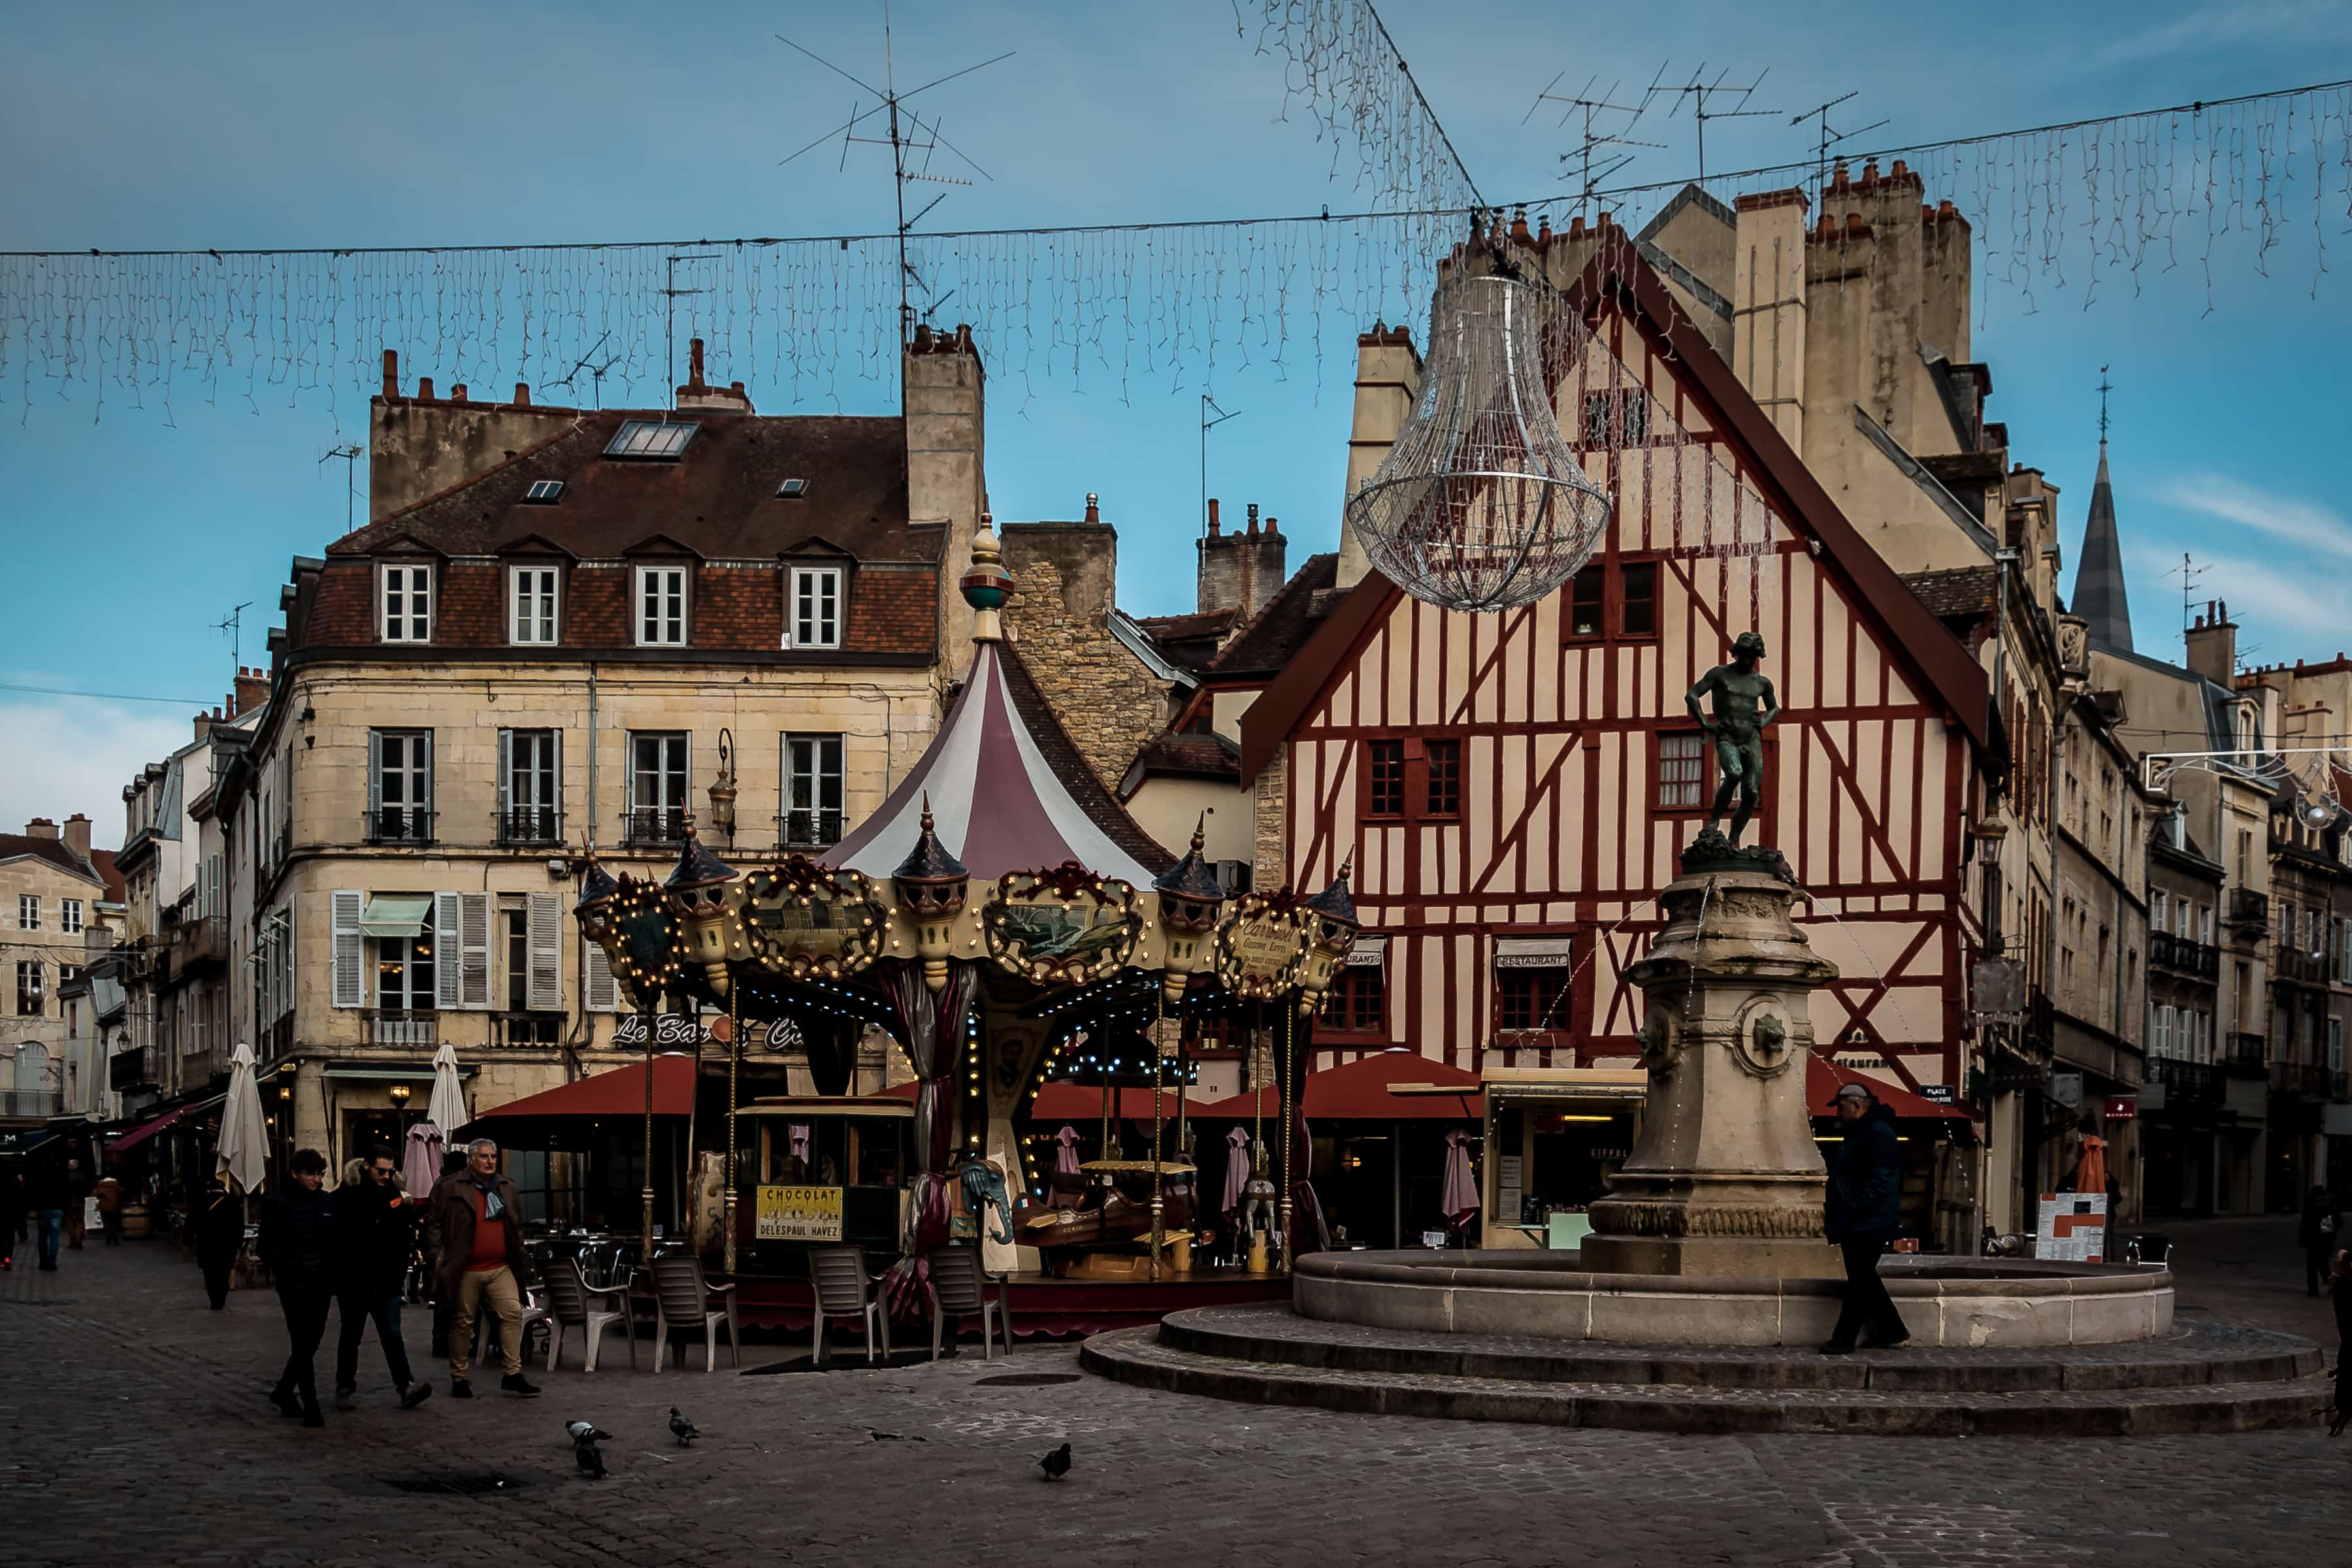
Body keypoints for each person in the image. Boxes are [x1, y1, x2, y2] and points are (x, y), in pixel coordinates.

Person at [425, 1139, 539, 1399]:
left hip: (500, 1266)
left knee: (512, 1313)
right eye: (484, 1157)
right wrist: (437, 1255)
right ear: (471, 1160)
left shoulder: (506, 1187)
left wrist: (519, 1251)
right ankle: (460, 1377)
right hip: (466, 1267)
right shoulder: (451, 1186)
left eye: (493, 1157)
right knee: (463, 1322)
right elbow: (434, 1222)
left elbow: (516, 1225)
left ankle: (512, 1374)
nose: (490, 1162)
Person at [333, 1151, 431, 1411]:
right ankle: (345, 1387)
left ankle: (405, 1386)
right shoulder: (346, 1195)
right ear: (366, 1166)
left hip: (387, 1280)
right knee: (351, 1335)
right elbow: (344, 1236)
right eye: (381, 1171)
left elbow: (405, 1232)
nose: (386, 1176)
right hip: (355, 1280)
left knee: (392, 1334)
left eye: (390, 1171)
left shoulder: (396, 1194)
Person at [1821, 1081, 1910, 1354]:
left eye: (1841, 1107)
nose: (1838, 1113)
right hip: (1862, 1220)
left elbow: (1880, 1181)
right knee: (1864, 1278)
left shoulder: (1876, 1134)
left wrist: (1853, 1207)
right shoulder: (1865, 1132)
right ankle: (1892, 1330)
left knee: (1860, 1280)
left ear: (1857, 1106)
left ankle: (1844, 1339)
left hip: (1867, 1222)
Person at [257, 1149, 337, 1428]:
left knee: (311, 1342)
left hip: (322, 1283)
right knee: (302, 1343)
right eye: (311, 1174)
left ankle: (283, 1391)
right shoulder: (278, 1204)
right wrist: (290, 1265)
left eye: (320, 1174)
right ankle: (311, 1405)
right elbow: (265, 1247)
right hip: (294, 1284)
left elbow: (335, 1242)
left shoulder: (327, 1202)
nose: (317, 1179)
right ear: (295, 1173)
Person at [195, 1176, 246, 1309]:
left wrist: (187, 1240)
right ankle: (221, 1299)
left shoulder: (201, 1201)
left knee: (210, 1274)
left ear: (209, 1189)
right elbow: (240, 1225)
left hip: (206, 1245)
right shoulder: (232, 1202)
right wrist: (239, 1242)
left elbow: (192, 1222)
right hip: (227, 1245)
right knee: (224, 1274)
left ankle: (214, 1300)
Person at [24, 1154, 70, 1271]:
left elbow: (33, 1190)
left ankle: (43, 1260)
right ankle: (52, 1261)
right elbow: (66, 1191)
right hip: (57, 1207)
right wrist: (65, 1207)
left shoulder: (39, 1173)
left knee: (43, 1236)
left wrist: (33, 1206)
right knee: (54, 1237)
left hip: (43, 1207)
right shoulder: (61, 1173)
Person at [2298, 1184, 2340, 1297]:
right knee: (2323, 1264)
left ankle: (2313, 1290)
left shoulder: (2310, 1205)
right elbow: (2338, 1223)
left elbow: (2305, 1225)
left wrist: (2303, 1240)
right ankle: (2333, 1285)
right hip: (2327, 1239)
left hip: (2312, 1239)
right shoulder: (2331, 1206)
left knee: (2312, 1266)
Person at [60, 1157, 90, 1250]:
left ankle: (72, 1242)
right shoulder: (84, 1176)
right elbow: (87, 1190)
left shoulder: (67, 1177)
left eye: (69, 1165)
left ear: (72, 1166)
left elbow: (63, 1190)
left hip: (69, 1202)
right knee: (80, 1221)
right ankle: (78, 1241)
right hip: (81, 1201)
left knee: (70, 1222)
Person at [0, 1167, 24, 1270]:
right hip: (13, 1213)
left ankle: (2, 1259)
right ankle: (7, 1259)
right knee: (10, 1237)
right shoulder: (16, 1182)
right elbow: (22, 1197)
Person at [91, 1171, 124, 1245]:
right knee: (114, 1222)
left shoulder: (101, 1185)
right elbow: (121, 1195)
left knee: (106, 1223)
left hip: (104, 1206)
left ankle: (108, 1239)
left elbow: (97, 1195)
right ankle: (114, 1234)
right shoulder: (116, 1185)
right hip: (115, 1206)